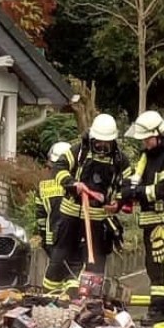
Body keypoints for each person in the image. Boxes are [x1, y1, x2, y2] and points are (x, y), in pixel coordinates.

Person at [121, 111, 164, 327]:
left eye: (147, 138)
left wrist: (138, 192)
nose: (144, 143)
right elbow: (135, 180)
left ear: (159, 134)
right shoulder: (149, 156)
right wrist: (126, 190)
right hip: (153, 220)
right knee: (155, 266)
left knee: (163, 265)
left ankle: (160, 309)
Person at [47, 114, 128, 295]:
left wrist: (119, 202)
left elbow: (129, 184)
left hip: (98, 218)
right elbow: (58, 167)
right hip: (71, 215)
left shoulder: (120, 160)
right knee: (60, 258)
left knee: (94, 264)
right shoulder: (79, 151)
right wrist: (72, 183)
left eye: (106, 143)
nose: (101, 146)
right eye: (98, 141)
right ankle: (49, 295)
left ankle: (90, 301)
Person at [36, 142, 75, 287]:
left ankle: (56, 305)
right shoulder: (76, 184)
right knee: (72, 276)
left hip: (52, 241)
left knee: (55, 278)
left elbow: (40, 216)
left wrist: (43, 238)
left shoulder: (43, 186)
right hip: (74, 239)